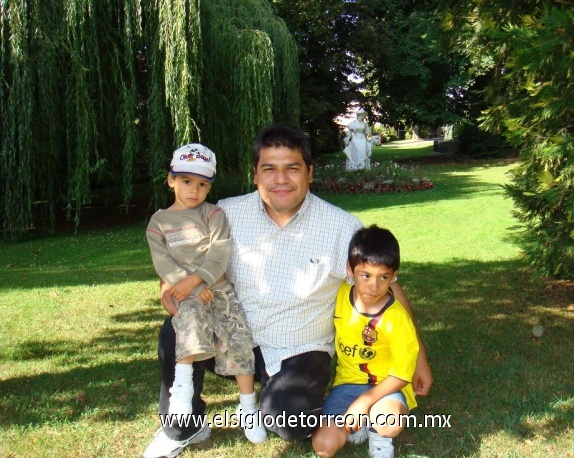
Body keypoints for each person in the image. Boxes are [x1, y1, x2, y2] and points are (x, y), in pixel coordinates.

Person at [142, 124, 433, 458]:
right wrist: (170, 281)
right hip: (236, 337)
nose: (280, 180)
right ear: (255, 174)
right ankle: (183, 427)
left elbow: (388, 290)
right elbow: (183, 247)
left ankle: (299, 403)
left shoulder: (340, 226)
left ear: (309, 173)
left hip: (300, 348)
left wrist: (418, 360)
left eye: (292, 168)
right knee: (175, 331)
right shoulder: (225, 213)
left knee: (289, 423)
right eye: (269, 169)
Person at [143, 144, 266, 458]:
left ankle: (248, 407)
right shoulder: (158, 222)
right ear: (170, 180)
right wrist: (190, 289)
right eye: (186, 181)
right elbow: (164, 264)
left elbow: (218, 255)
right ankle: (182, 396)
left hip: (218, 289)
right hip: (186, 295)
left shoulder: (214, 214)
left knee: (240, 341)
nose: (194, 190)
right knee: (187, 329)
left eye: (202, 184)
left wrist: (197, 280)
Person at [312, 225, 419, 458]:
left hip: (386, 388)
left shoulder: (397, 318)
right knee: (323, 445)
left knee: (387, 421)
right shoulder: (339, 293)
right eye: (365, 275)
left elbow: (401, 374)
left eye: (383, 277)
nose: (373, 286)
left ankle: (379, 437)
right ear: (350, 270)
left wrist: (364, 401)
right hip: (346, 386)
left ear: (394, 276)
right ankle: (358, 423)